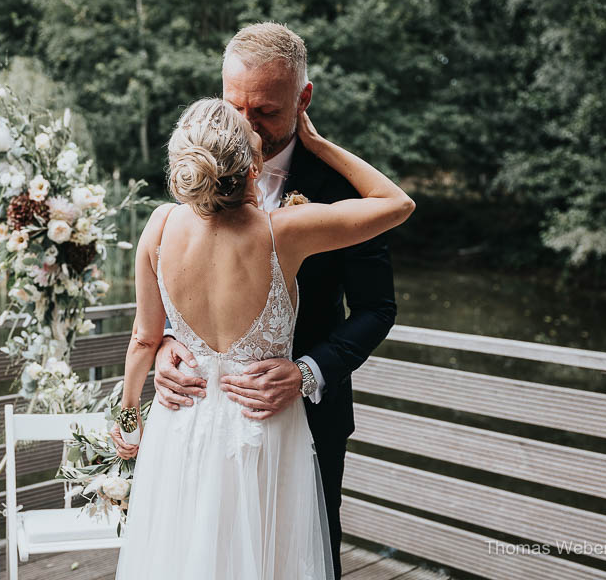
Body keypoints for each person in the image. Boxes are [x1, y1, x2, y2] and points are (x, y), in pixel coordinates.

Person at [110, 88, 413, 579]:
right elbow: (397, 204)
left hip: (182, 423)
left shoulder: (160, 224)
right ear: (254, 166)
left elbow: (144, 338)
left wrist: (128, 418)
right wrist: (320, 142)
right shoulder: (284, 232)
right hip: (262, 430)